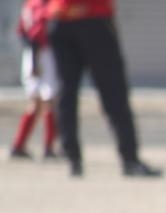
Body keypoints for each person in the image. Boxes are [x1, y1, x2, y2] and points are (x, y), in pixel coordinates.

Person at [45, 0, 159, 177]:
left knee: (66, 91)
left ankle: (72, 158)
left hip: (60, 17)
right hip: (92, 16)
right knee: (113, 91)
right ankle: (129, 159)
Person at [10, 0, 59, 160]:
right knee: (49, 100)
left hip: (30, 54)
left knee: (35, 102)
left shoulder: (29, 5)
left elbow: (22, 32)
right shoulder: (44, 5)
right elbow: (39, 32)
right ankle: (49, 147)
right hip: (43, 54)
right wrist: (36, 60)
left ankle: (19, 145)